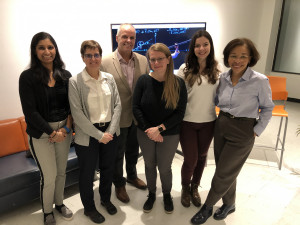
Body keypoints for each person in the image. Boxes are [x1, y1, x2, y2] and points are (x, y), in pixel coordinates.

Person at [190, 38, 275, 224]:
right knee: (227, 169)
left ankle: (207, 207)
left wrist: (256, 130)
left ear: (251, 58)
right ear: (227, 58)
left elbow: (268, 108)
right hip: (222, 125)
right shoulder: (223, 78)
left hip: (244, 130)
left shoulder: (259, 81)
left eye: (243, 56)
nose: (238, 60)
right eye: (233, 56)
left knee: (222, 172)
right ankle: (230, 203)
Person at [19, 32, 73, 225]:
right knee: (48, 176)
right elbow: (30, 112)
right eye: (41, 47)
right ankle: (47, 211)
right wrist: (52, 133)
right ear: (35, 51)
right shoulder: (27, 77)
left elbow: (71, 106)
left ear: (55, 49)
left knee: (61, 172)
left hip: (64, 132)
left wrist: (65, 130)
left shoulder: (65, 75)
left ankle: (59, 203)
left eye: (50, 47)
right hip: (41, 134)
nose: (47, 51)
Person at [68, 40, 121, 224]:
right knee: (87, 172)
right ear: (83, 58)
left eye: (96, 54)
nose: (93, 58)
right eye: (88, 55)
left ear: (100, 56)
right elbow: (77, 113)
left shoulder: (109, 78)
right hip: (87, 134)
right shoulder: (75, 82)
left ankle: (105, 199)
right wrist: (99, 135)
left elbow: (117, 105)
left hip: (110, 131)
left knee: (108, 169)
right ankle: (89, 208)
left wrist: (110, 131)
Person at [133, 43, 187, 214]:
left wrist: (160, 129)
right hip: (145, 132)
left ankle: (166, 194)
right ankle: (151, 194)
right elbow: (136, 108)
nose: (156, 63)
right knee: (149, 165)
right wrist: (150, 129)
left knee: (164, 167)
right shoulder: (143, 81)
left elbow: (180, 113)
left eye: (160, 59)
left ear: (168, 59)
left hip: (169, 133)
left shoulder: (178, 83)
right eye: (152, 59)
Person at [101, 23, 149, 203]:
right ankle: (119, 185)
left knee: (132, 151)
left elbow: (146, 88)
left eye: (132, 37)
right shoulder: (104, 62)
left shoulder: (143, 60)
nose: (128, 40)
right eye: (125, 37)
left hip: (137, 118)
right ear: (117, 38)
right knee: (117, 154)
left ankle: (132, 175)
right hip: (116, 119)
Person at [177, 30, 220, 208]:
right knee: (190, 159)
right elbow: (177, 97)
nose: (201, 48)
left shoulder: (217, 71)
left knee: (202, 157)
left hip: (209, 121)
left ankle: (195, 186)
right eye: (197, 45)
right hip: (187, 122)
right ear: (192, 48)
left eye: (205, 44)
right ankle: (185, 187)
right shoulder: (184, 70)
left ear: (210, 46)